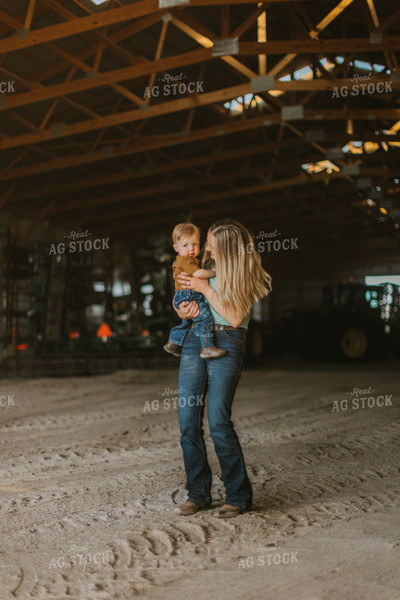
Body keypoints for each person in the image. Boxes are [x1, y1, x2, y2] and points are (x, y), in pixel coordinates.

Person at [173, 219, 272, 518]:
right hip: (194, 338)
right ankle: (198, 493)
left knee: (218, 421)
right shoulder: (201, 266)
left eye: (211, 245)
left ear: (227, 248)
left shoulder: (245, 274)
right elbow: (183, 299)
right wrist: (182, 309)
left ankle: (239, 496)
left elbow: (232, 315)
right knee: (188, 421)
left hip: (228, 339)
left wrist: (205, 287)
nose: (205, 248)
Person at [164, 222, 226, 359]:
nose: (191, 248)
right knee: (205, 316)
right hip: (189, 294)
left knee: (186, 321)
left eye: (195, 244)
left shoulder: (185, 259)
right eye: (185, 245)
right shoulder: (186, 260)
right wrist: (214, 273)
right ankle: (207, 347)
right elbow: (198, 274)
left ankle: (173, 343)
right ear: (176, 247)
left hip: (182, 294)